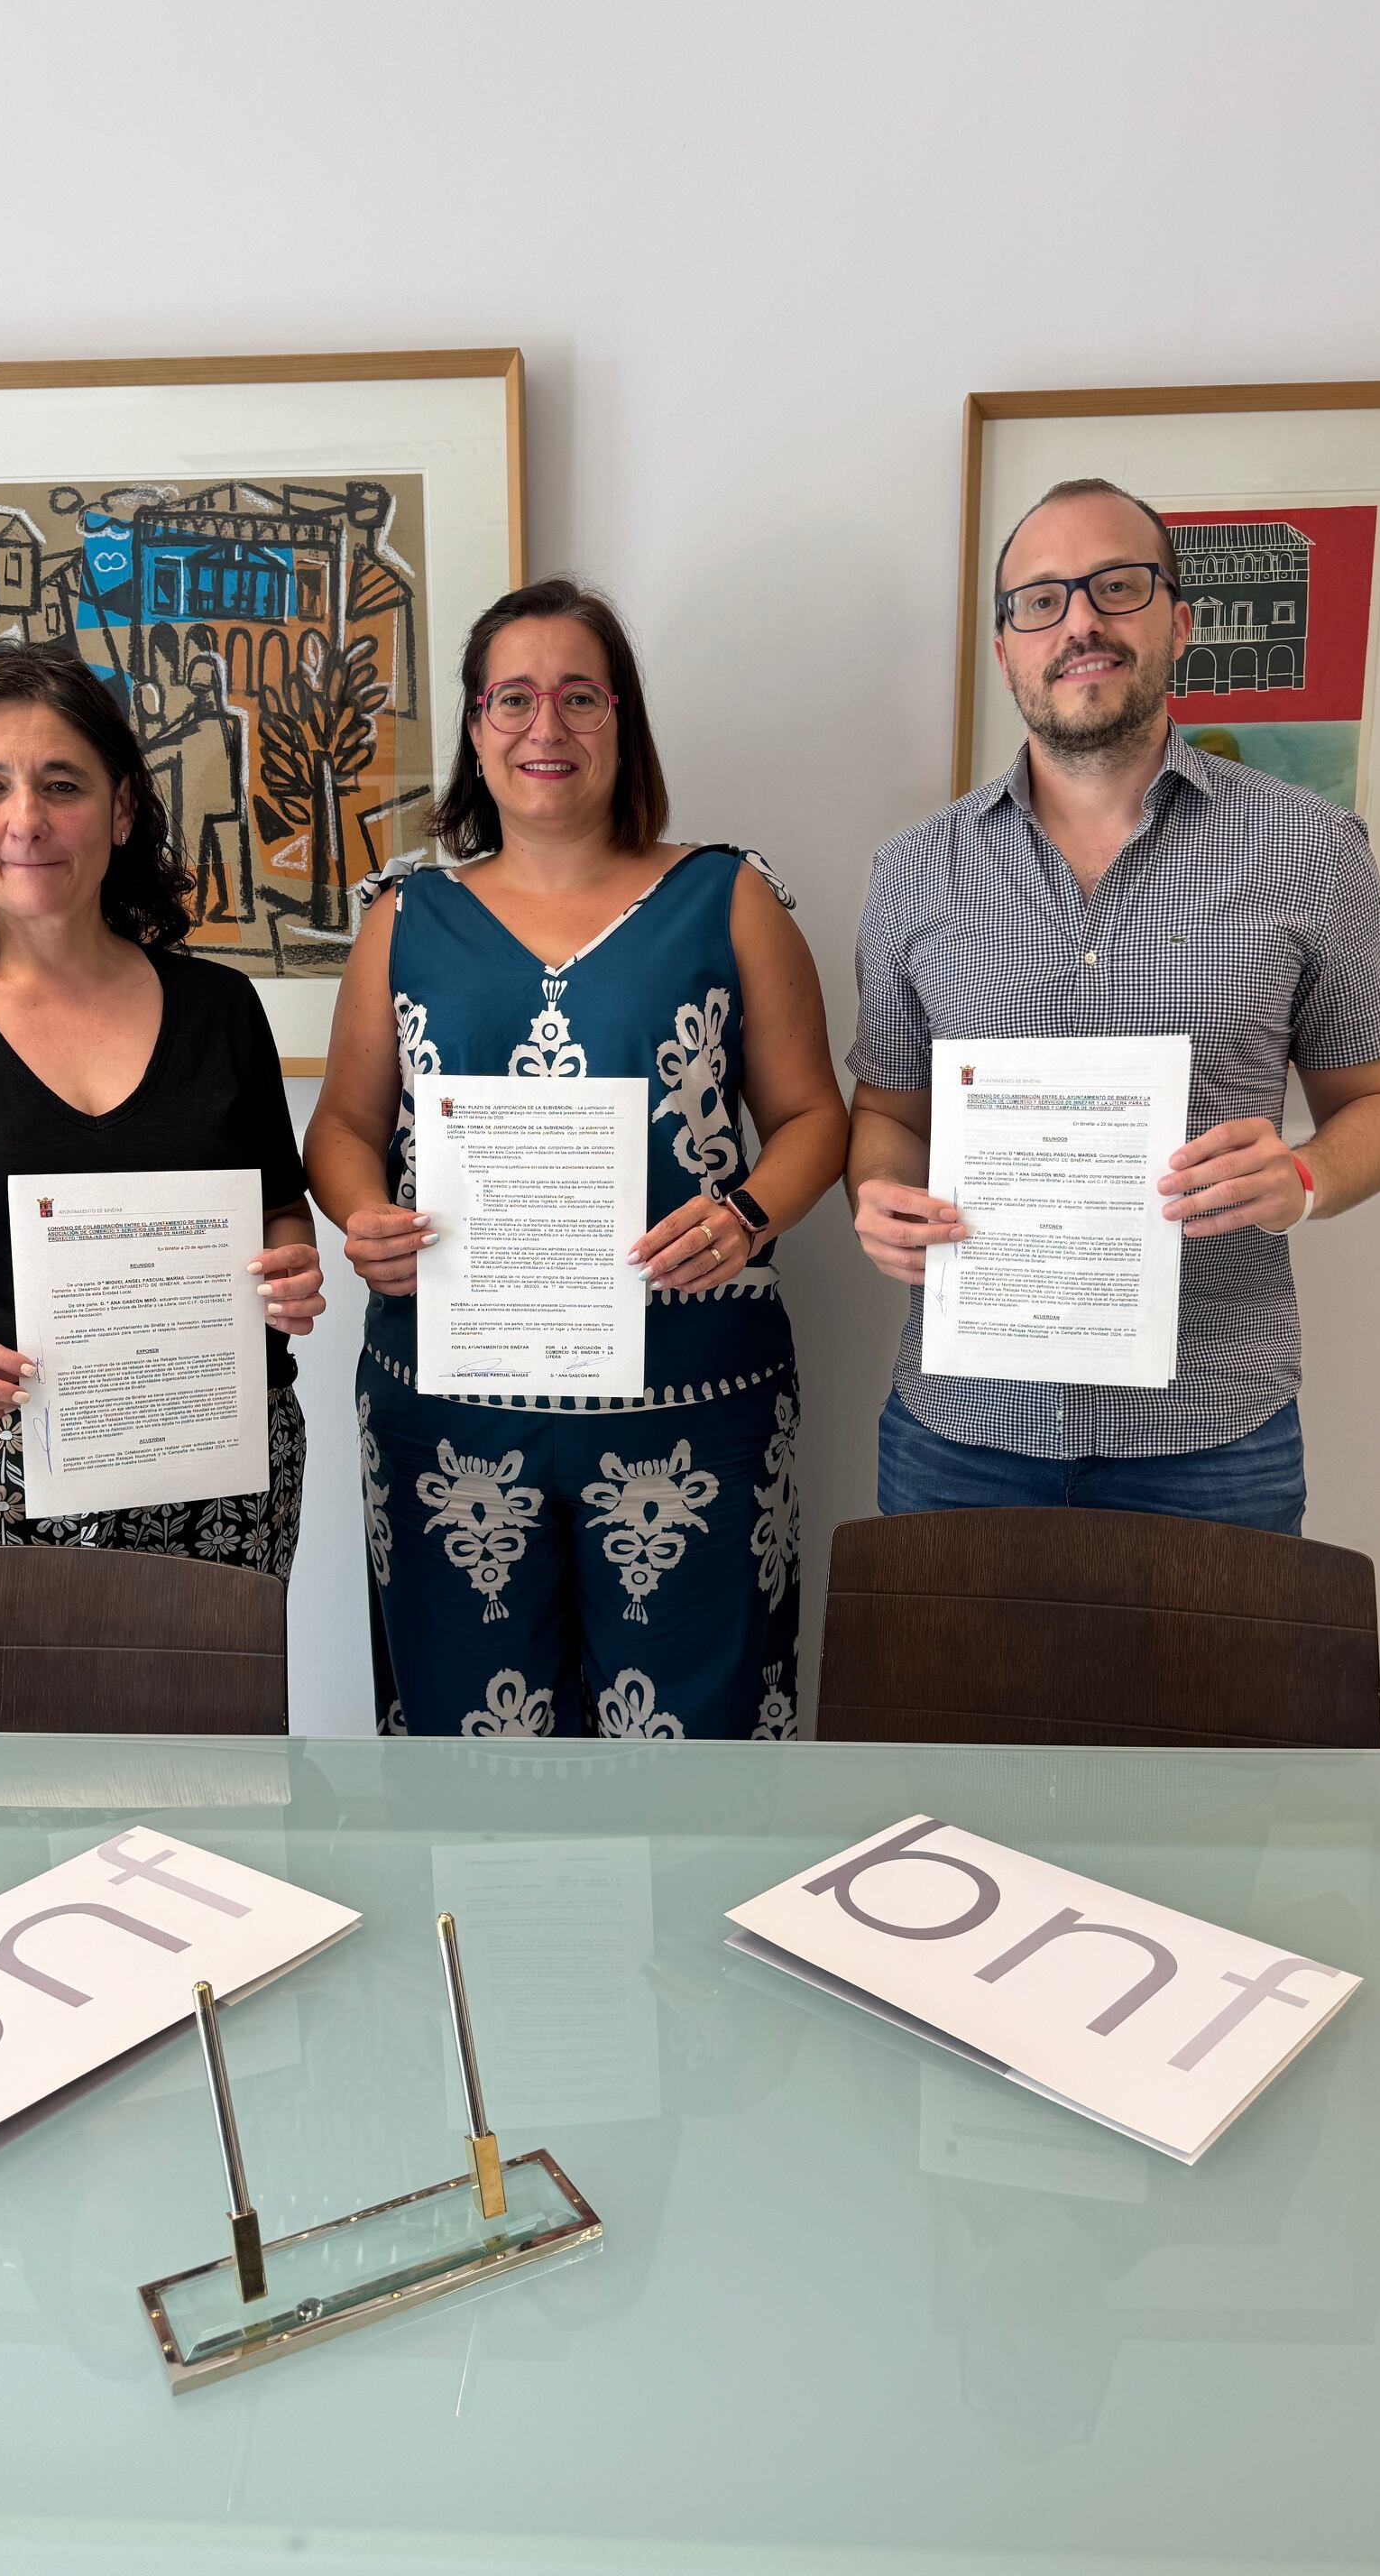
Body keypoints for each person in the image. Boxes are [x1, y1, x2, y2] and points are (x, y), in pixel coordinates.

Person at [305, 577, 848, 1737]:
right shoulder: (403, 915)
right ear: (472, 725)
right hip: (451, 1410)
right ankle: (487, 1934)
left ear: (623, 719)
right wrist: (362, 1218)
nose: (544, 728)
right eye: (512, 699)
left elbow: (816, 1121)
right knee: (466, 1738)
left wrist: (749, 1210)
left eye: (578, 698)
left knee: (698, 1745)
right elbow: (343, 1129)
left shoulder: (728, 894)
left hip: (693, 1405)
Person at [847, 477, 1380, 1533]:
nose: (1080, 623)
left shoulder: (1311, 851)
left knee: (1216, 1711)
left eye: (1117, 587)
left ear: (1179, 621)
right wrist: (879, 1194)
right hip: (962, 1431)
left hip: (1213, 1437)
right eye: (1042, 600)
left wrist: (1305, 1177)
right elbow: (887, 1113)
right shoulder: (913, 874)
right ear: (1004, 649)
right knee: (951, 1709)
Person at [0, 640, 324, 1570]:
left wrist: (292, 1261)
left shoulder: (220, 1009)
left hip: (221, 1455)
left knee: (220, 1722)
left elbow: (281, 1208)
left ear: (122, 807)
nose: (26, 820)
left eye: (61, 784)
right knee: (12, 1719)